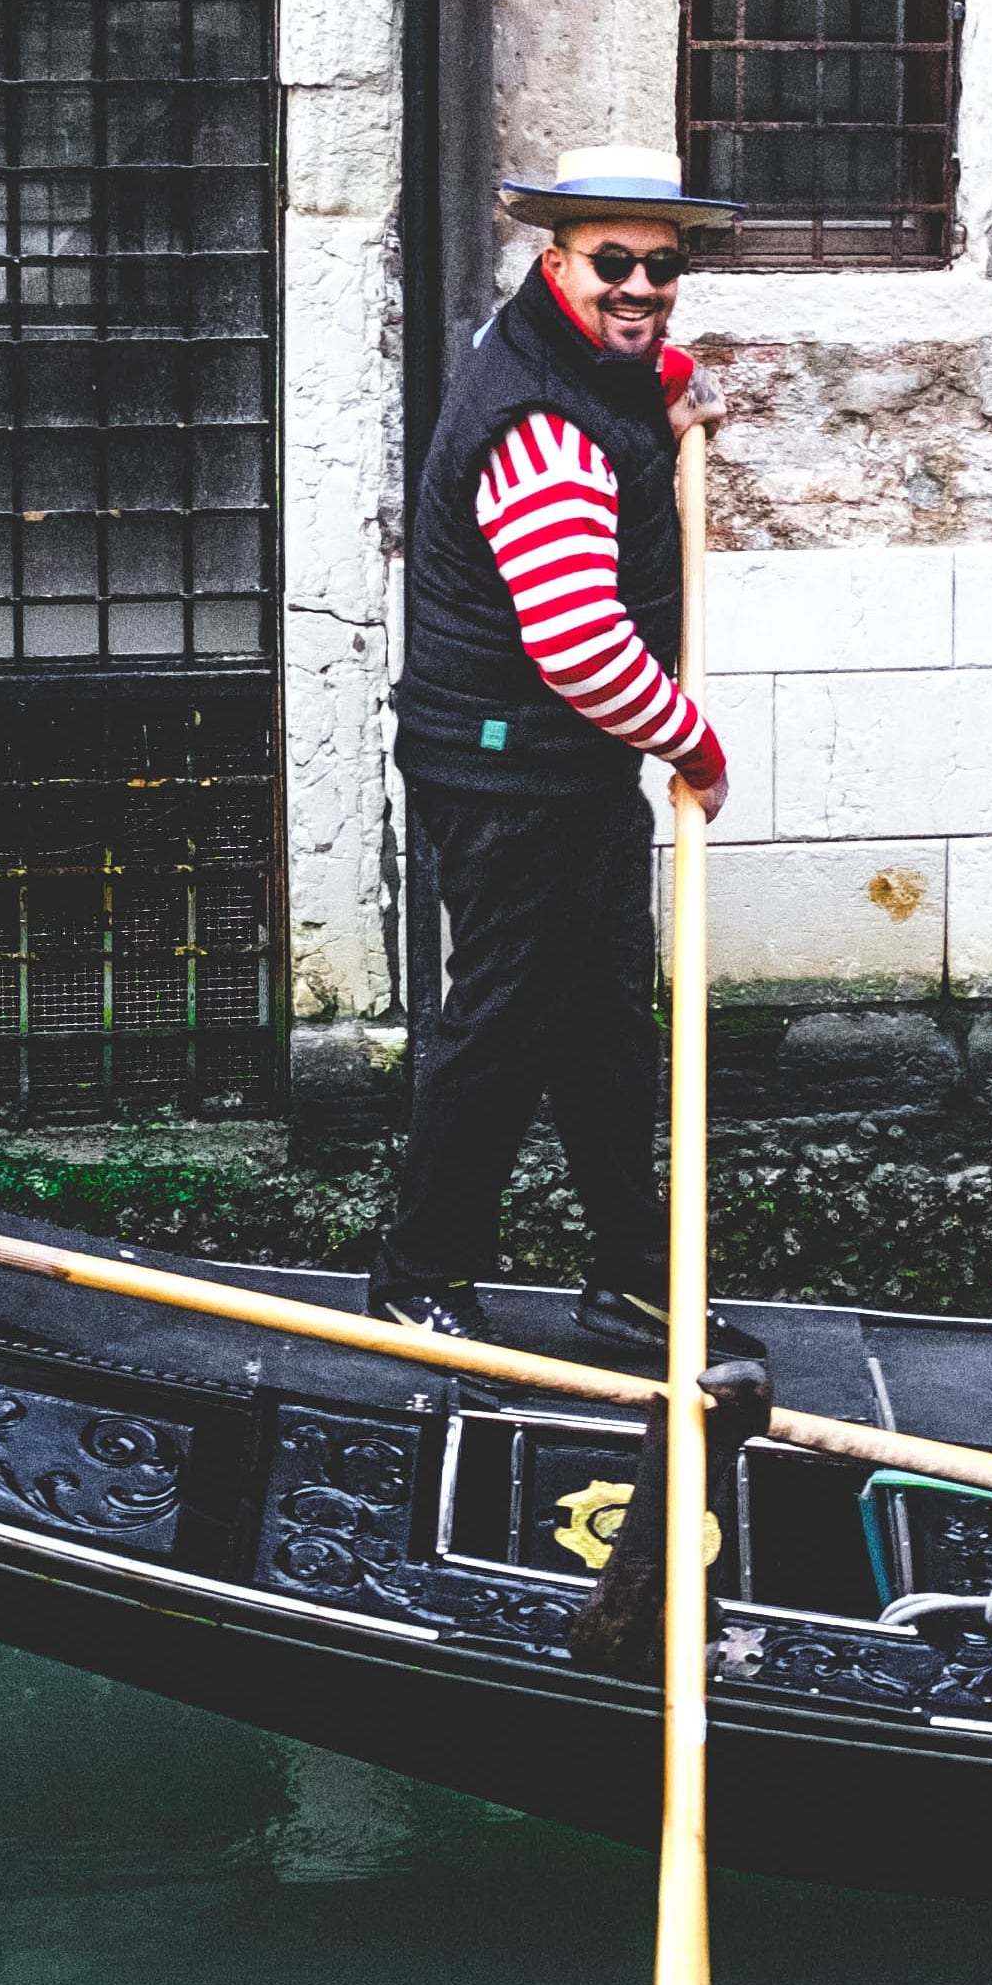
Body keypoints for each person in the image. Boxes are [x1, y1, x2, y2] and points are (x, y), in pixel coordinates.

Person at [366, 148, 742, 1351]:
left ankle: (634, 1281)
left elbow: (625, 369)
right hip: (506, 770)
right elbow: (580, 646)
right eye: (613, 264)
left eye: (662, 269)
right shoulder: (540, 428)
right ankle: (418, 1281)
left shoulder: (558, 355)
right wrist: (694, 747)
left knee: (607, 1033)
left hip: (562, 769)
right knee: (504, 1026)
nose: (641, 288)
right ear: (556, 261)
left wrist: (669, 385)